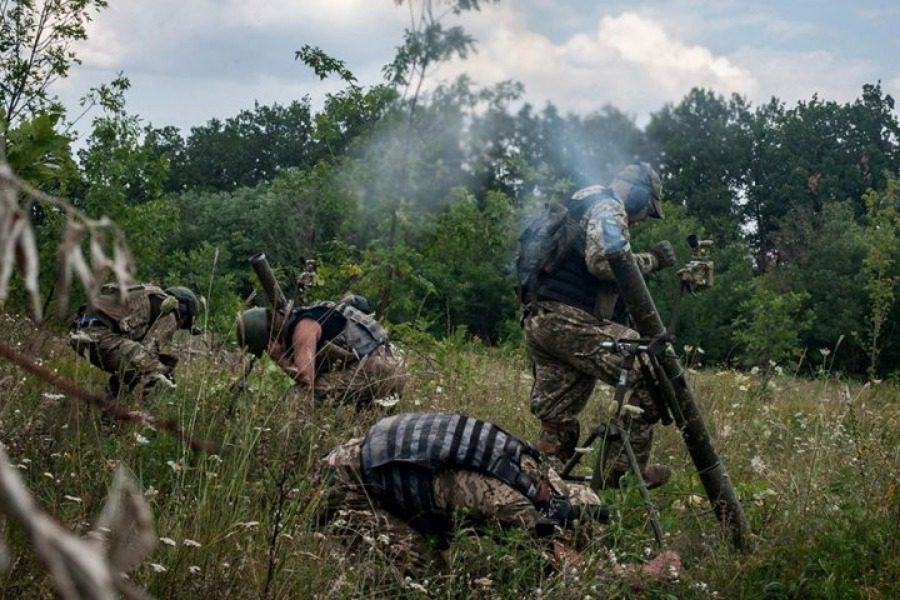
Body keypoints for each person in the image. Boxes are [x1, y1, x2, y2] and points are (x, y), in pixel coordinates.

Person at [314, 412, 681, 584]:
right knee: (425, 581)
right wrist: (645, 574)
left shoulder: (541, 473)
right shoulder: (516, 505)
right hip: (343, 487)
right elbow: (578, 574)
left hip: (377, 458)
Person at [520, 163, 677, 489]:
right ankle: (620, 475)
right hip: (569, 321)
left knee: (557, 419)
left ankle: (542, 495)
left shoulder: (583, 203)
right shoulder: (609, 206)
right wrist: (654, 261)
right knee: (647, 366)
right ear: (636, 194)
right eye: (648, 208)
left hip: (543, 319)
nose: (644, 217)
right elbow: (605, 261)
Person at [236, 294, 408, 406]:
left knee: (299, 399)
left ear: (269, 338)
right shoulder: (309, 314)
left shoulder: (303, 328)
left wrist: (280, 358)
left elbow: (306, 380)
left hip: (379, 369)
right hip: (394, 362)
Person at [69, 283, 201, 397]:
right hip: (100, 335)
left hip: (80, 330)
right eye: (182, 324)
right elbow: (149, 352)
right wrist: (167, 375)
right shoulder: (170, 311)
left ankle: (111, 416)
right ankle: (131, 419)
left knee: (129, 370)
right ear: (184, 312)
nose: (177, 327)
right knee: (158, 377)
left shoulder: (145, 293)